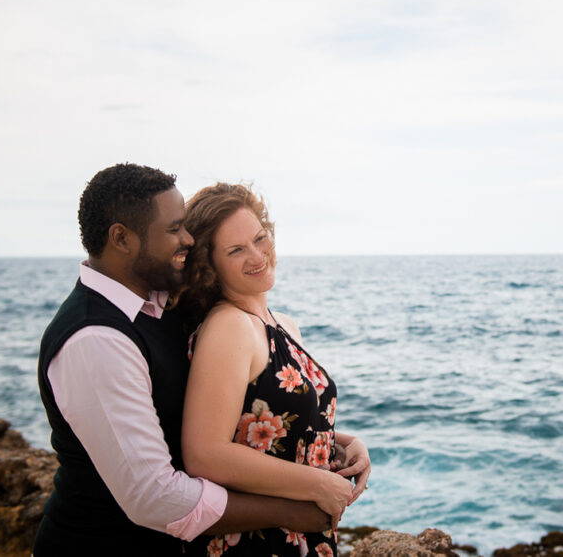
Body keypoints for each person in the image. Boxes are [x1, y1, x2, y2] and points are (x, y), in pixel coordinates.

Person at [34, 164, 330, 557]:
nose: (188, 239)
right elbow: (154, 497)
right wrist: (293, 511)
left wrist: (332, 444)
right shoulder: (96, 340)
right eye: (174, 229)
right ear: (121, 238)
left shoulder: (156, 308)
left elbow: (237, 412)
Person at [177, 182, 371, 557]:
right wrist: (316, 486)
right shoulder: (228, 327)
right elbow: (204, 453)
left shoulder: (280, 323)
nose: (256, 255)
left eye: (260, 238)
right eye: (236, 250)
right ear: (210, 266)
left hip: (299, 536)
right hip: (255, 541)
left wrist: (346, 444)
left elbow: (276, 428)